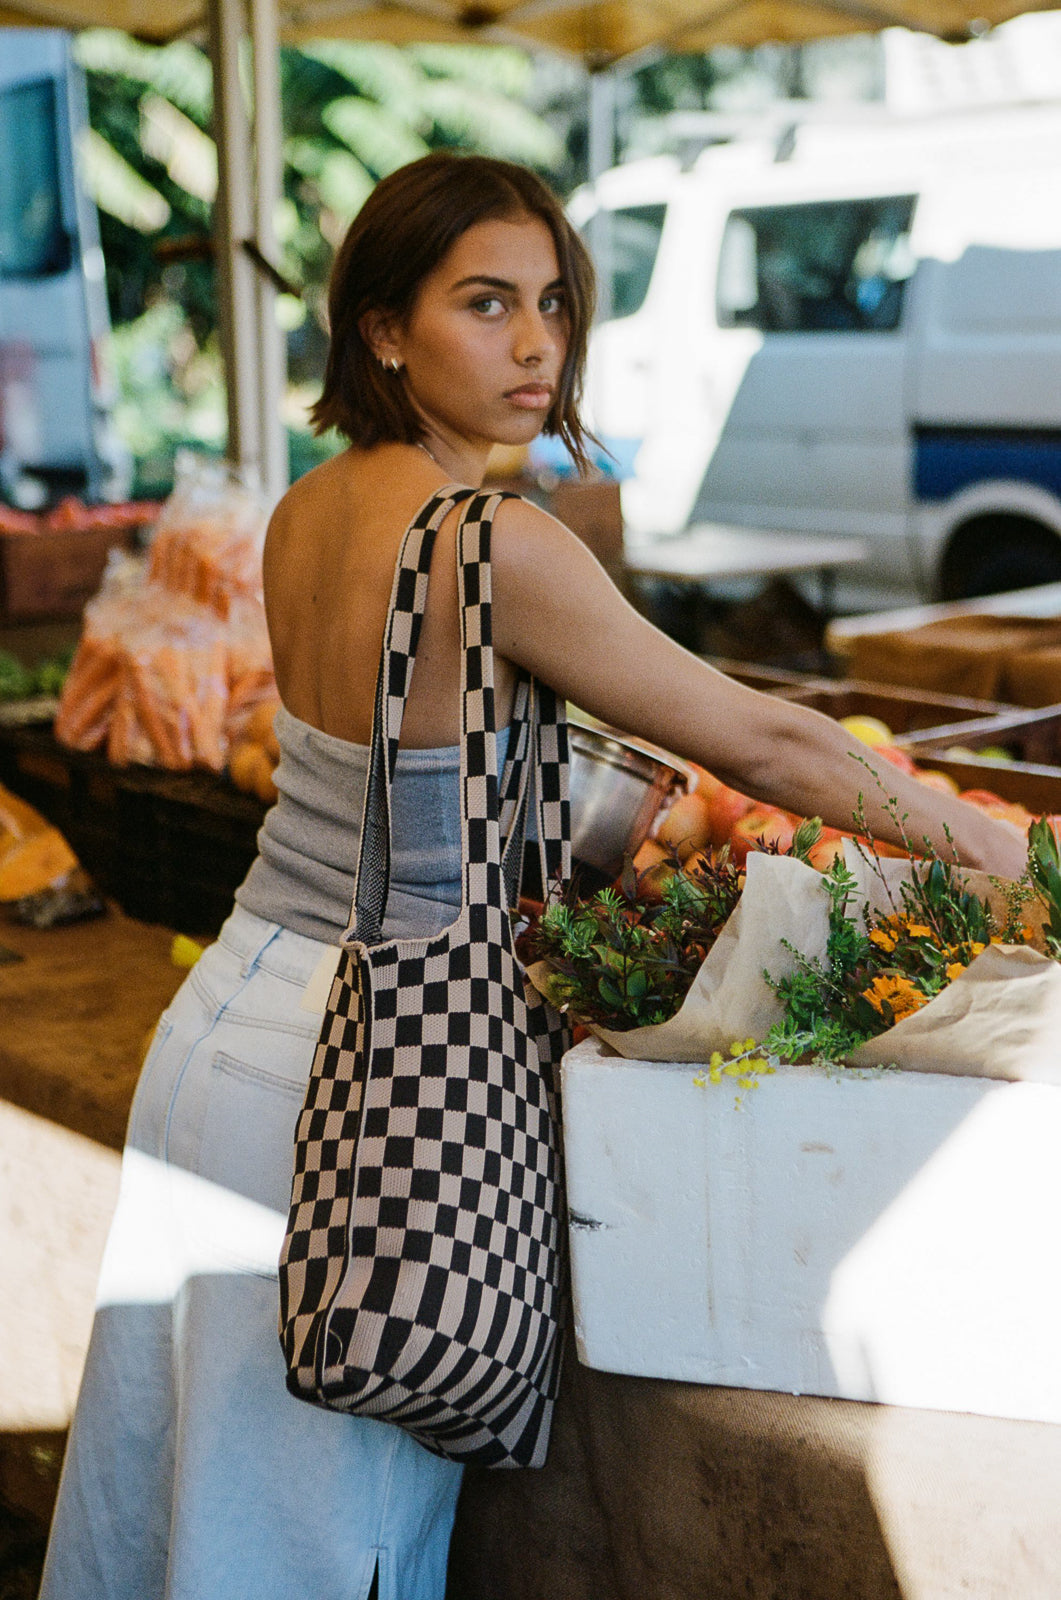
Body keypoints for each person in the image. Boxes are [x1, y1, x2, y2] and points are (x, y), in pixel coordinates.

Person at [40, 151, 1027, 1600]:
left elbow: (393, 774)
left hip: (231, 1023)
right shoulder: (493, 540)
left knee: (184, 1477)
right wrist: (1019, 858)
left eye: (553, 305)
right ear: (382, 328)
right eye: (484, 303)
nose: (532, 345)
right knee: (324, 1530)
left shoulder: (313, 509)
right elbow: (764, 739)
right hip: (373, 1055)